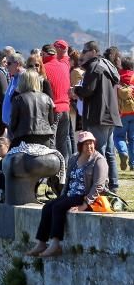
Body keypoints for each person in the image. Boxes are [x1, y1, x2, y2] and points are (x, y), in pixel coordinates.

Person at [24, 131, 107, 258]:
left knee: (58, 208)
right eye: (86, 144)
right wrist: (62, 196)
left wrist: (84, 205)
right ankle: (41, 243)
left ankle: (55, 244)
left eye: (91, 143)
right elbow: (68, 180)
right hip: (70, 195)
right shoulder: (74, 158)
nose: (89, 146)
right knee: (47, 207)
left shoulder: (99, 160)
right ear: (80, 146)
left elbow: (98, 186)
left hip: (85, 197)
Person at [70, 41, 120, 192]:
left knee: (99, 152)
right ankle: (113, 185)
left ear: (92, 51)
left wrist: (76, 91)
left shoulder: (94, 66)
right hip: (110, 115)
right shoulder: (107, 65)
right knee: (109, 152)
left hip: (98, 116)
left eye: (84, 51)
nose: (82, 54)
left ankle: (102, 186)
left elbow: (88, 90)